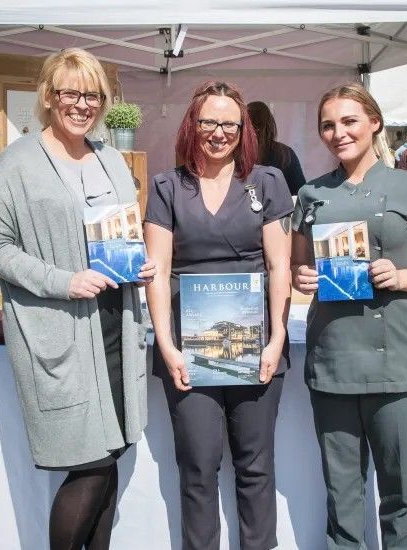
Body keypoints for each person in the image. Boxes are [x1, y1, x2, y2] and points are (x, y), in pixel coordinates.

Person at [0, 48, 156, 550]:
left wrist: (137, 264)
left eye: (92, 94)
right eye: (71, 93)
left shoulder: (112, 159)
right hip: (63, 329)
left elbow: (122, 230)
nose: (83, 104)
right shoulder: (19, 162)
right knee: (89, 465)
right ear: (50, 98)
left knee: (111, 453)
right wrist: (62, 280)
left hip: (115, 324)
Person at [291, 82, 407, 550]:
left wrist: (400, 277)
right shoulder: (311, 194)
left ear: (374, 123)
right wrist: (302, 279)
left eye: (348, 121)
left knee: (401, 493)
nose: (338, 133)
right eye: (328, 125)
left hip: (397, 363)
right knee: (342, 495)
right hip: (334, 363)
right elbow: (299, 267)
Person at [144, 81, 293, 550]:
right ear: (193, 124)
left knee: (255, 465)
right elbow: (158, 270)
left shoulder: (267, 181)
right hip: (188, 352)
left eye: (230, 123)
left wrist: (276, 340)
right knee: (198, 468)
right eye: (209, 121)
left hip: (258, 348)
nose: (219, 132)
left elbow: (279, 265)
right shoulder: (167, 186)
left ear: (243, 128)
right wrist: (167, 348)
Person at [247, 100, 307, 195]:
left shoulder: (237, 153)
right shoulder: (285, 153)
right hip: (281, 208)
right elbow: (300, 192)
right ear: (270, 124)